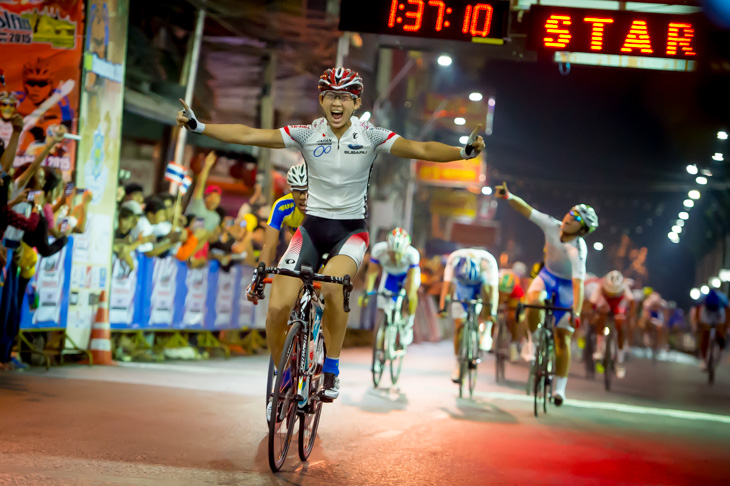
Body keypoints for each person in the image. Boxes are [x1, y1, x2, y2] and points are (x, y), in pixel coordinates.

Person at [177, 67, 484, 407]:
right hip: (311, 230)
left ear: (356, 102)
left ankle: (332, 368)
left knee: (336, 286)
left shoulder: (372, 135)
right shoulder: (307, 134)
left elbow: (420, 150)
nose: (337, 103)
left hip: (350, 232)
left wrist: (463, 153)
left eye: (345, 97)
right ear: (321, 99)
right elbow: (250, 135)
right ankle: (286, 379)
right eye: (331, 96)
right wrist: (199, 126)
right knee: (278, 308)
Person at [495, 182, 598, 406]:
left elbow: (579, 284)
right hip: (547, 276)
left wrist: (576, 311)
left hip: (568, 287)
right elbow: (527, 210)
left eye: (577, 219)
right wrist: (509, 196)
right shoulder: (552, 225)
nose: (571, 218)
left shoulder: (577, 249)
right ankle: (532, 340)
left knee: (563, 338)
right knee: (534, 300)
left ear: (582, 231)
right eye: (572, 213)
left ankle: (559, 389)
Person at [439, 248, 499, 382]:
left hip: (481, 286)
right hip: (462, 288)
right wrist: (442, 308)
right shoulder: (454, 260)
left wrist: (492, 312)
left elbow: (494, 293)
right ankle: (458, 363)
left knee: (487, 294)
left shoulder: (488, 262)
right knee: (459, 326)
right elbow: (446, 287)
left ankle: (486, 331)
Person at [361, 228, 420, 346]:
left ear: (405, 249)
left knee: (411, 294)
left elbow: (411, 281)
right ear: (388, 247)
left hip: (406, 275)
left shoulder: (412, 254)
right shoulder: (378, 250)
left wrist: (407, 297)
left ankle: (408, 324)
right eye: (392, 253)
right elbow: (372, 274)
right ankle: (383, 333)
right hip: (389, 275)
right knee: (383, 305)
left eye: (398, 254)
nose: (395, 257)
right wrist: (367, 292)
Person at [257, 163, 307, 267]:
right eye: (298, 191)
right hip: (300, 250)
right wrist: (260, 277)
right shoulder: (282, 206)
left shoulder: (324, 206)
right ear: (291, 191)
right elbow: (269, 247)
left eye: (306, 191)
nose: (302, 197)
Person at [588, 270, 635, 378]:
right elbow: (592, 303)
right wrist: (592, 314)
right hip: (606, 306)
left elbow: (632, 304)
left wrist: (629, 318)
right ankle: (599, 349)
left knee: (620, 325)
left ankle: (620, 362)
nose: (612, 294)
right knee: (601, 317)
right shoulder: (601, 285)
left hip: (619, 307)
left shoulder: (624, 286)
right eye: (610, 292)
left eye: (615, 293)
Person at [690, 288, 729, 371]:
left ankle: (720, 343)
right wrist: (697, 324)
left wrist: (727, 327)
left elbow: (727, 313)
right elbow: (697, 310)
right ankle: (705, 359)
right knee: (705, 335)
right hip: (707, 314)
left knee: (719, 331)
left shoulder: (723, 299)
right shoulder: (702, 298)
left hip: (719, 314)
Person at [185, 151, 221, 233]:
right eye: (214, 196)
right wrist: (207, 166)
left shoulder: (216, 218)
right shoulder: (198, 203)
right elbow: (200, 185)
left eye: (218, 197)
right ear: (207, 197)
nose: (216, 199)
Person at [497, 269, 525, 363]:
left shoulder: (516, 288)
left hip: (514, 301)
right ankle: (492, 338)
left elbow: (520, 302)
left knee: (515, 320)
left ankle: (514, 346)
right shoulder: (497, 287)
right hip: (499, 296)